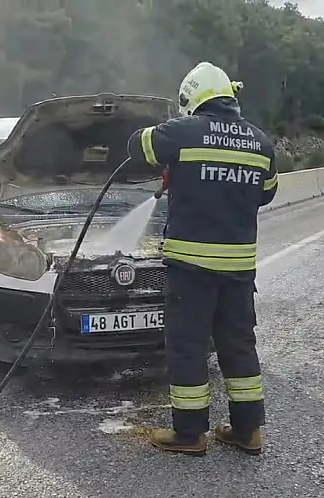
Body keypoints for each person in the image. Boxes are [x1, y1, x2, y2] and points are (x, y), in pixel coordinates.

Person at [126, 61, 278, 456]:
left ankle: (190, 435)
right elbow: (266, 193)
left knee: (188, 347)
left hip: (192, 270)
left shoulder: (183, 131)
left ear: (193, 98)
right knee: (238, 347)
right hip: (239, 271)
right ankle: (248, 431)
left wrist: (186, 169)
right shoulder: (260, 142)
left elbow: (137, 146)